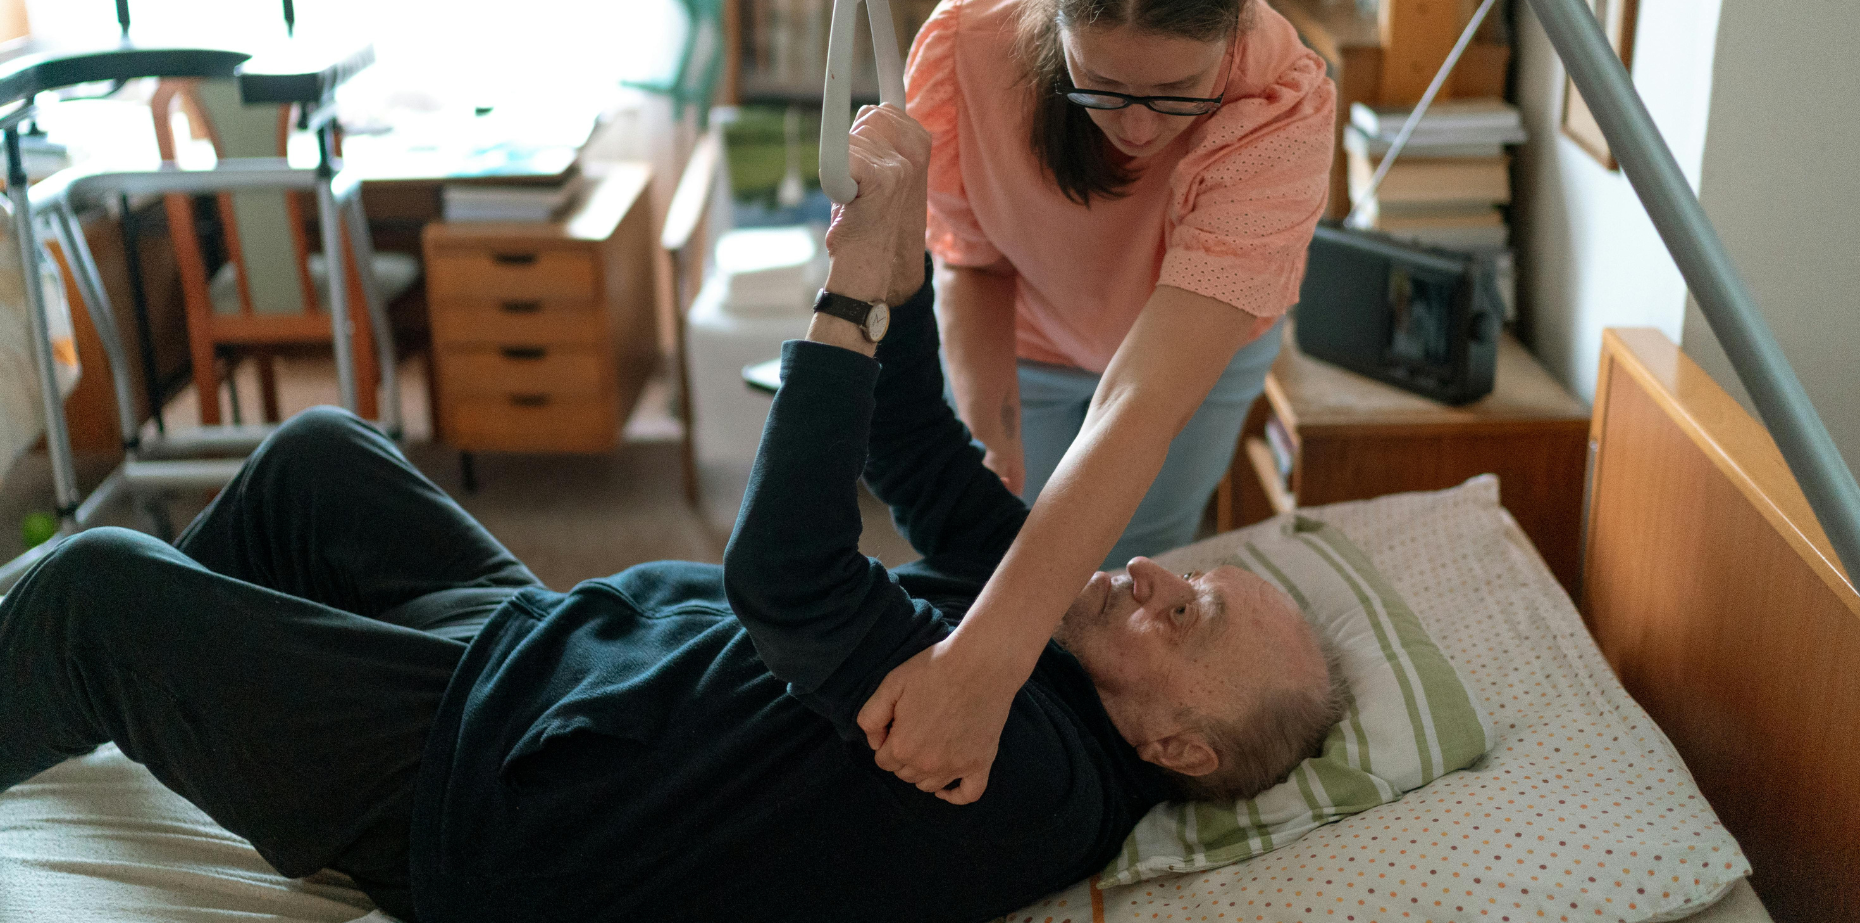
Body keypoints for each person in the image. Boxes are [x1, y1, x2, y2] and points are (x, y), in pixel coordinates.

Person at [0, 107, 1338, 923]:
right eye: (1192, 579)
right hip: (561, 662)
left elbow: (789, 579)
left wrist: (844, 309)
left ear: (1179, 747)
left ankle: (139, 692)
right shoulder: (1051, 619)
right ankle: (165, 714)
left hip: (498, 802)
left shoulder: (1033, 779)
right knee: (316, 457)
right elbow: (922, 458)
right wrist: (898, 255)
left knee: (92, 596)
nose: (1157, 575)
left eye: (1191, 617)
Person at [856, 0, 1337, 805]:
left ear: (1229, 34)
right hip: (1033, 334)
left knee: (1128, 585)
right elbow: (974, 260)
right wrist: (989, 429)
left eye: (1178, 92)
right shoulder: (970, 46)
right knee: (1015, 559)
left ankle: (1089, 780)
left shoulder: (1279, 103)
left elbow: (1143, 400)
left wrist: (982, 670)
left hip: (1190, 354)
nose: (1138, 129)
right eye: (1102, 86)